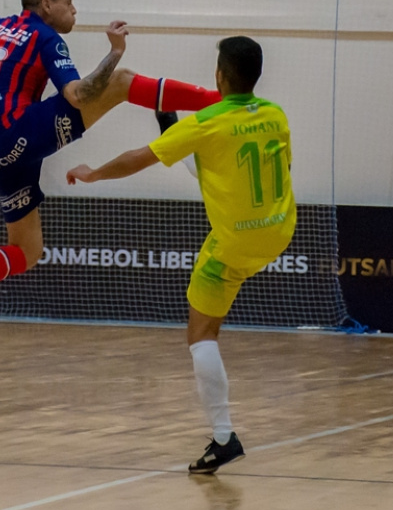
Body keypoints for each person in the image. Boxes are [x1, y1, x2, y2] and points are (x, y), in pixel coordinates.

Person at [0, 0, 221, 340]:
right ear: (46, 5)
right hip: (22, 131)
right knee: (121, 80)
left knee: (28, 250)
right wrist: (114, 52)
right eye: (69, 2)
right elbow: (79, 95)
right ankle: (219, 100)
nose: (75, 10)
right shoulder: (45, 36)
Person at [66, 36, 295, 474]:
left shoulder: (207, 122)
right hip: (281, 230)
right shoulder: (275, 114)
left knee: (202, 334)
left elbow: (137, 160)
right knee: (209, 162)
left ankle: (224, 437)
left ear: (220, 76)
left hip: (234, 243)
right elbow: (272, 168)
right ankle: (169, 130)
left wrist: (92, 173)